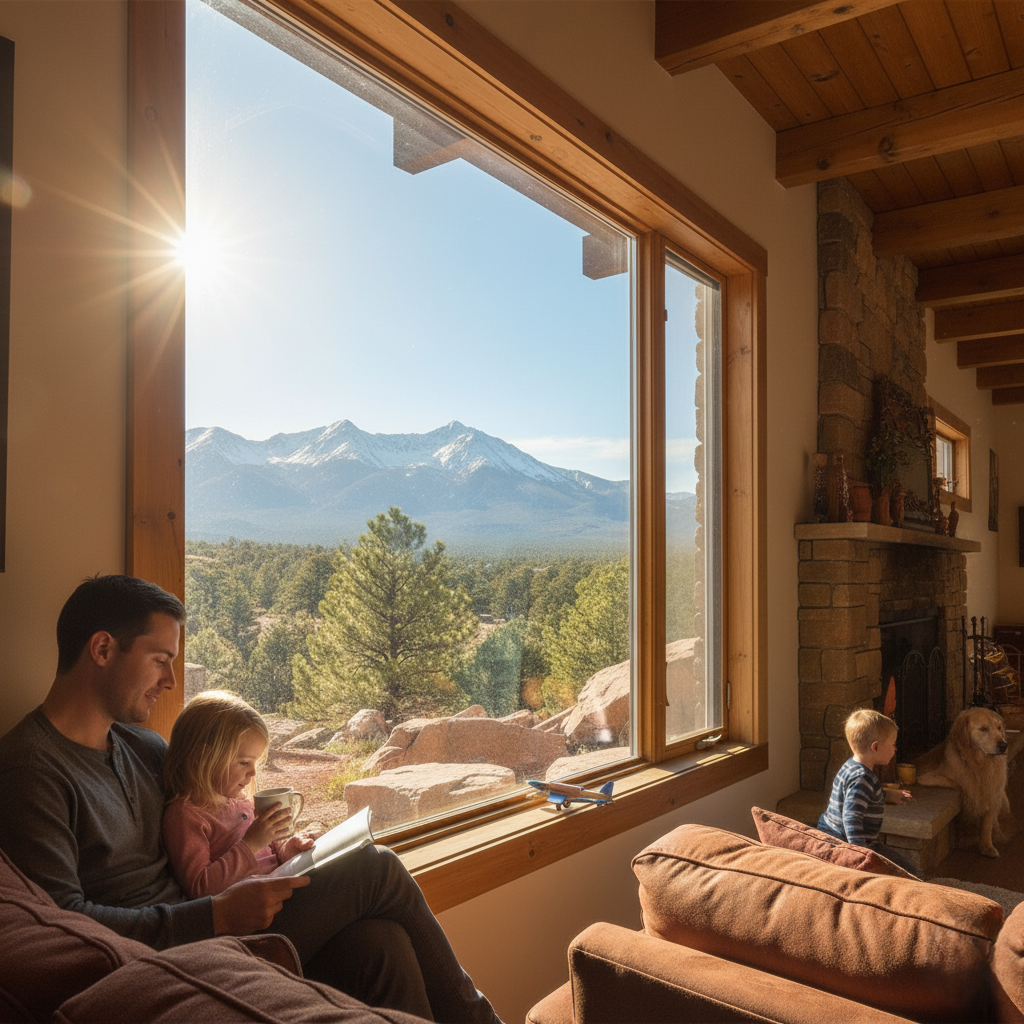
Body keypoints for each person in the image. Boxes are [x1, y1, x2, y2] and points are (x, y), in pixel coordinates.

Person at [0, 574, 501, 1022]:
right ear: (103, 649)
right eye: (160, 661)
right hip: (171, 953)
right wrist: (215, 914)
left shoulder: (143, 746)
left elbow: (208, 819)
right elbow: (64, 925)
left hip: (215, 922)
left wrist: (281, 849)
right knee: (376, 867)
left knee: (380, 945)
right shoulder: (30, 769)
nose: (171, 681)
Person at [162, 689, 316, 899]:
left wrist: (288, 849)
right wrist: (251, 844)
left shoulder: (238, 801)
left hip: (280, 886)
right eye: (244, 762)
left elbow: (267, 851)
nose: (253, 772)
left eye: (255, 763)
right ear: (203, 758)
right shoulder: (186, 816)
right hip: (256, 908)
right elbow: (200, 889)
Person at [817, 708, 921, 877]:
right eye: (893, 744)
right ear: (876, 747)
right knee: (907, 870)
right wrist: (862, 856)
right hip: (843, 843)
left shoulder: (852, 766)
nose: (895, 749)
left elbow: (863, 797)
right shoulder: (862, 778)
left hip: (838, 834)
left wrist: (888, 796)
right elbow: (852, 819)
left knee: (900, 865)